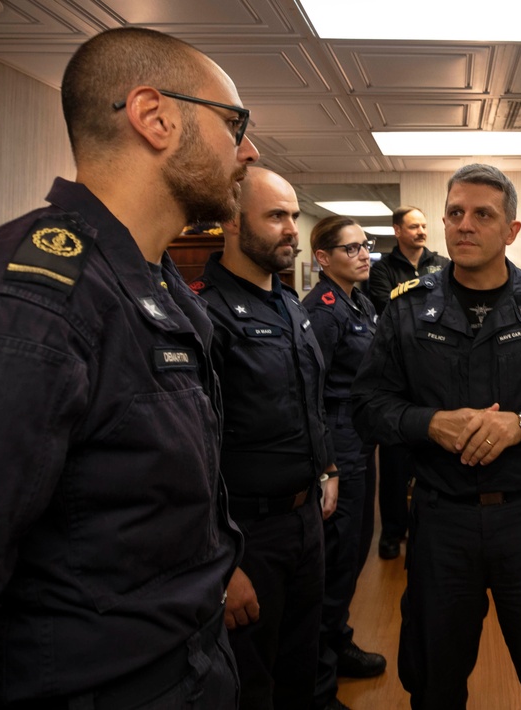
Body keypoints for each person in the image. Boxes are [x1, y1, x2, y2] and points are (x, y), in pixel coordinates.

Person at [0, 27, 256, 708]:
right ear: (156, 118)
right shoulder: (32, 300)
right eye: (234, 123)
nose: (249, 149)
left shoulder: (157, 284)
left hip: (187, 666)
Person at [352, 164, 521, 709]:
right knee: (432, 683)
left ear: (511, 230)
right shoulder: (405, 308)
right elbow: (366, 406)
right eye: (454, 213)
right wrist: (428, 423)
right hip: (442, 520)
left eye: (482, 215)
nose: (464, 225)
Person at [189, 167, 338, 710]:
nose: (292, 230)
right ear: (231, 221)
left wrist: (328, 468)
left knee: (300, 666)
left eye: (294, 217)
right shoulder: (204, 313)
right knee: (250, 683)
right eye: (276, 216)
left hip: (304, 523)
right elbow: (192, 454)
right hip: (247, 533)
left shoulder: (290, 306)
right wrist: (223, 563)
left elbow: (309, 401)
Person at [301, 217, 387, 710]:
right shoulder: (323, 311)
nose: (363, 255)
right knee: (336, 562)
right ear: (323, 258)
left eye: (366, 246)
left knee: (354, 554)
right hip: (337, 440)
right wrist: (326, 465)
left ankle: (338, 641)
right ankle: (318, 682)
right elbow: (310, 392)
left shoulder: (361, 301)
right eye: (351, 247)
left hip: (361, 435)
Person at [366, 206, 450, 559]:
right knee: (396, 463)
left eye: (424, 225)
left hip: (436, 371)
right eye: (413, 226)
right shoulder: (381, 269)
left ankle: (430, 529)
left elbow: (450, 304)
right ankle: (392, 532)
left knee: (435, 456)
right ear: (397, 230)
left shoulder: (442, 263)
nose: (421, 231)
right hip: (398, 374)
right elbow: (389, 309)